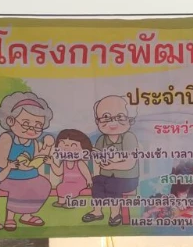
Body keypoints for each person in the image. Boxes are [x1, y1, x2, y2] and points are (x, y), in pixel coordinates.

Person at [0, 92, 55, 231]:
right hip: (7, 175)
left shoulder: (33, 142)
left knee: (44, 184)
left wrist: (47, 147)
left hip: (29, 175)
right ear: (11, 121)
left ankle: (27, 215)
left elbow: (37, 159)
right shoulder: (7, 138)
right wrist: (14, 165)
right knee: (20, 187)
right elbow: (0, 160)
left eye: (38, 125)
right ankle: (10, 218)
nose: (32, 129)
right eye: (26, 124)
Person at [82, 95, 140, 226]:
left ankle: (115, 214)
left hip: (127, 179)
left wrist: (111, 165)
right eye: (106, 117)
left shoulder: (129, 137)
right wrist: (99, 160)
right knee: (97, 182)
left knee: (113, 185)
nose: (112, 123)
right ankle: (97, 211)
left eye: (120, 117)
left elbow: (130, 163)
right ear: (98, 121)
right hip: (106, 177)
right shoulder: (101, 139)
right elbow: (97, 158)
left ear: (130, 119)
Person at [50, 129, 93, 208]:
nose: (66, 147)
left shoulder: (79, 163)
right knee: (60, 187)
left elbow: (86, 172)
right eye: (63, 143)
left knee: (72, 188)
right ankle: (61, 202)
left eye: (73, 145)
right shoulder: (64, 162)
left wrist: (89, 180)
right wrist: (51, 163)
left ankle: (70, 202)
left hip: (79, 183)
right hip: (66, 182)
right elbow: (58, 172)